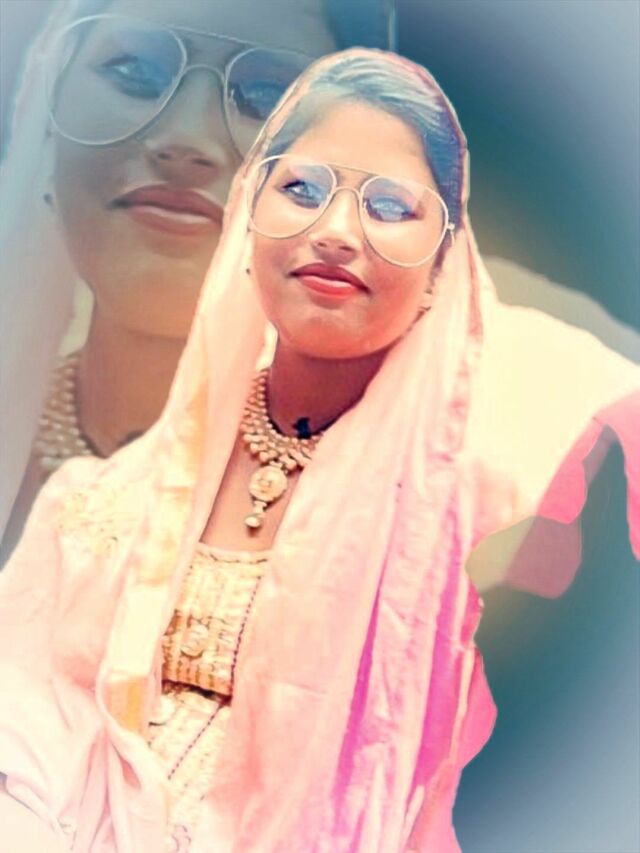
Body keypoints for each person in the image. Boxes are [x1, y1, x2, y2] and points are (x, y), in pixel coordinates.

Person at [1, 48, 638, 852]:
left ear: (444, 264)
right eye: (301, 189)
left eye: (390, 205)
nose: (335, 232)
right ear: (248, 215)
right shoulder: (107, 498)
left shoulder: (484, 517)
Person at [0, 0, 396, 558]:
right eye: (135, 72)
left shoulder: (395, 506)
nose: (184, 139)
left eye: (268, 98)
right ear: (48, 113)